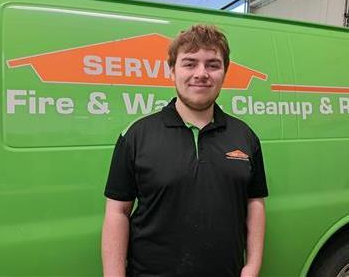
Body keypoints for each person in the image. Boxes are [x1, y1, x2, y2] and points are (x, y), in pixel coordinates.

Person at [102, 24, 268, 277]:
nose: (201, 73)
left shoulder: (245, 136)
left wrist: (252, 267)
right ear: (172, 70)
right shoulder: (136, 135)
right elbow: (117, 212)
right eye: (190, 64)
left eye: (212, 64)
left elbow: (254, 203)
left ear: (225, 71)